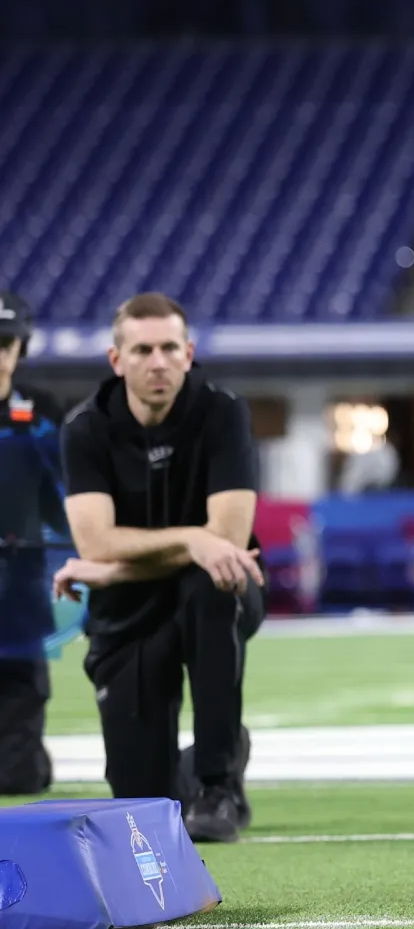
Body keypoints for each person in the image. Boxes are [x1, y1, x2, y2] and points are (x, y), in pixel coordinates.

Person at [51, 293, 266, 842]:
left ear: (189, 353)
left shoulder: (223, 412)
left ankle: (218, 785)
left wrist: (118, 567)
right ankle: (204, 759)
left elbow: (228, 543)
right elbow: (96, 542)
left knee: (212, 583)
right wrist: (192, 537)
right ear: (116, 359)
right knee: (144, 801)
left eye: (170, 347)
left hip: (213, 592)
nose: (158, 362)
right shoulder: (85, 429)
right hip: (130, 611)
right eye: (142, 349)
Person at [0, 292, 63, 794]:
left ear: (20, 347)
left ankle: (27, 759)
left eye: (6, 343)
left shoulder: (42, 410)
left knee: (18, 780)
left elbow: (63, 495)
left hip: (18, 587)